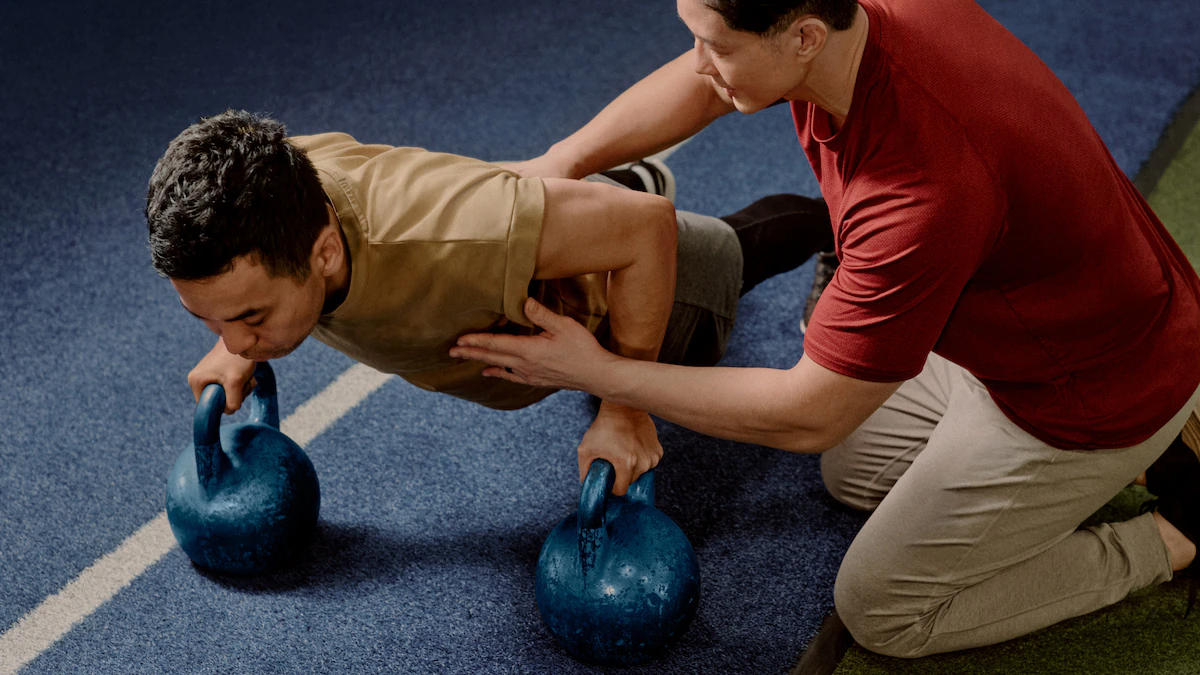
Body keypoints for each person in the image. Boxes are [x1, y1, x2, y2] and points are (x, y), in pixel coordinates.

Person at [450, 0, 1200, 659]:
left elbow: (807, 413)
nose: (700, 63)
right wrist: (560, 162)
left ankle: (1171, 534)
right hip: (1020, 329)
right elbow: (704, 82)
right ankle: (1132, 459)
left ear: (804, 36)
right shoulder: (852, 18)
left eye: (718, 46)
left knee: (883, 608)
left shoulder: (919, 193)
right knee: (855, 469)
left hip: (1087, 390)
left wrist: (600, 372)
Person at [144, 109, 830, 497]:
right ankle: (591, 202)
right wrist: (233, 335)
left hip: (636, 295)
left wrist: (624, 403)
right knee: (578, 220)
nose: (233, 341)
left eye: (251, 317)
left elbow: (647, 228)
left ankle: (842, 224)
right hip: (519, 251)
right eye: (209, 318)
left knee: (733, 251)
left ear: (324, 251)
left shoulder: (445, 233)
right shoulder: (265, 192)